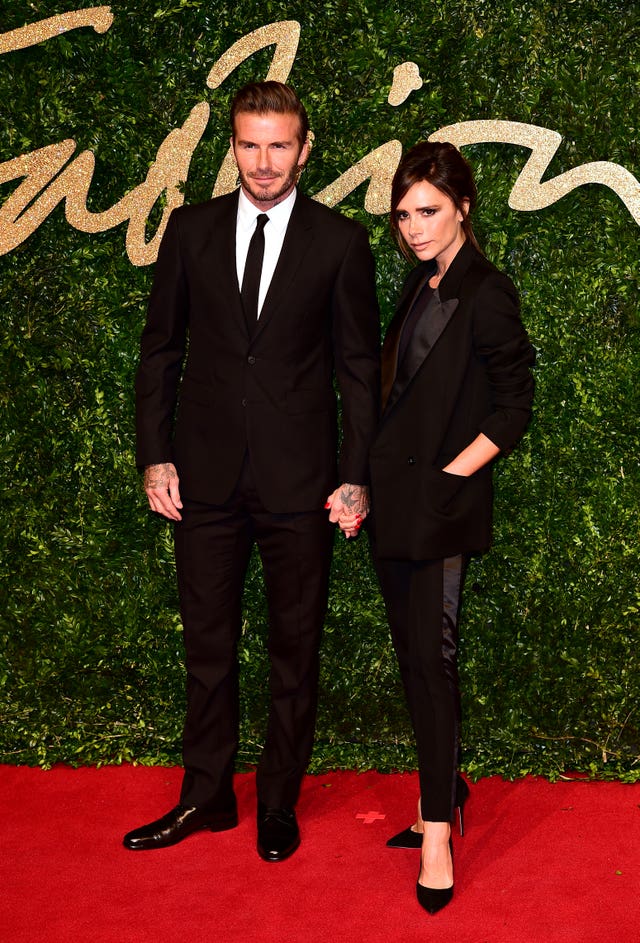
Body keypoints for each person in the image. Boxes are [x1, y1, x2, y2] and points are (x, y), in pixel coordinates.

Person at [124, 81, 380, 861]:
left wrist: (355, 473)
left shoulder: (339, 243)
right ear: (230, 145)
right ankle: (205, 795)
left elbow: (358, 370)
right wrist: (153, 452)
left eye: (278, 145)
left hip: (301, 484)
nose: (263, 162)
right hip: (201, 479)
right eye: (248, 144)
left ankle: (277, 800)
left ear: (305, 148)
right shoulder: (189, 230)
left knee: (293, 647)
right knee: (207, 643)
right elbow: (161, 348)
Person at [363, 141, 534, 912]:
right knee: (412, 660)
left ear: (463, 207)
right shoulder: (416, 283)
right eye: (403, 215)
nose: (414, 227)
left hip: (436, 513)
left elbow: (515, 405)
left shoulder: (486, 291)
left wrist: (449, 476)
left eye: (428, 211)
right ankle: (446, 788)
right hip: (391, 510)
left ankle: (437, 833)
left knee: (432, 667)